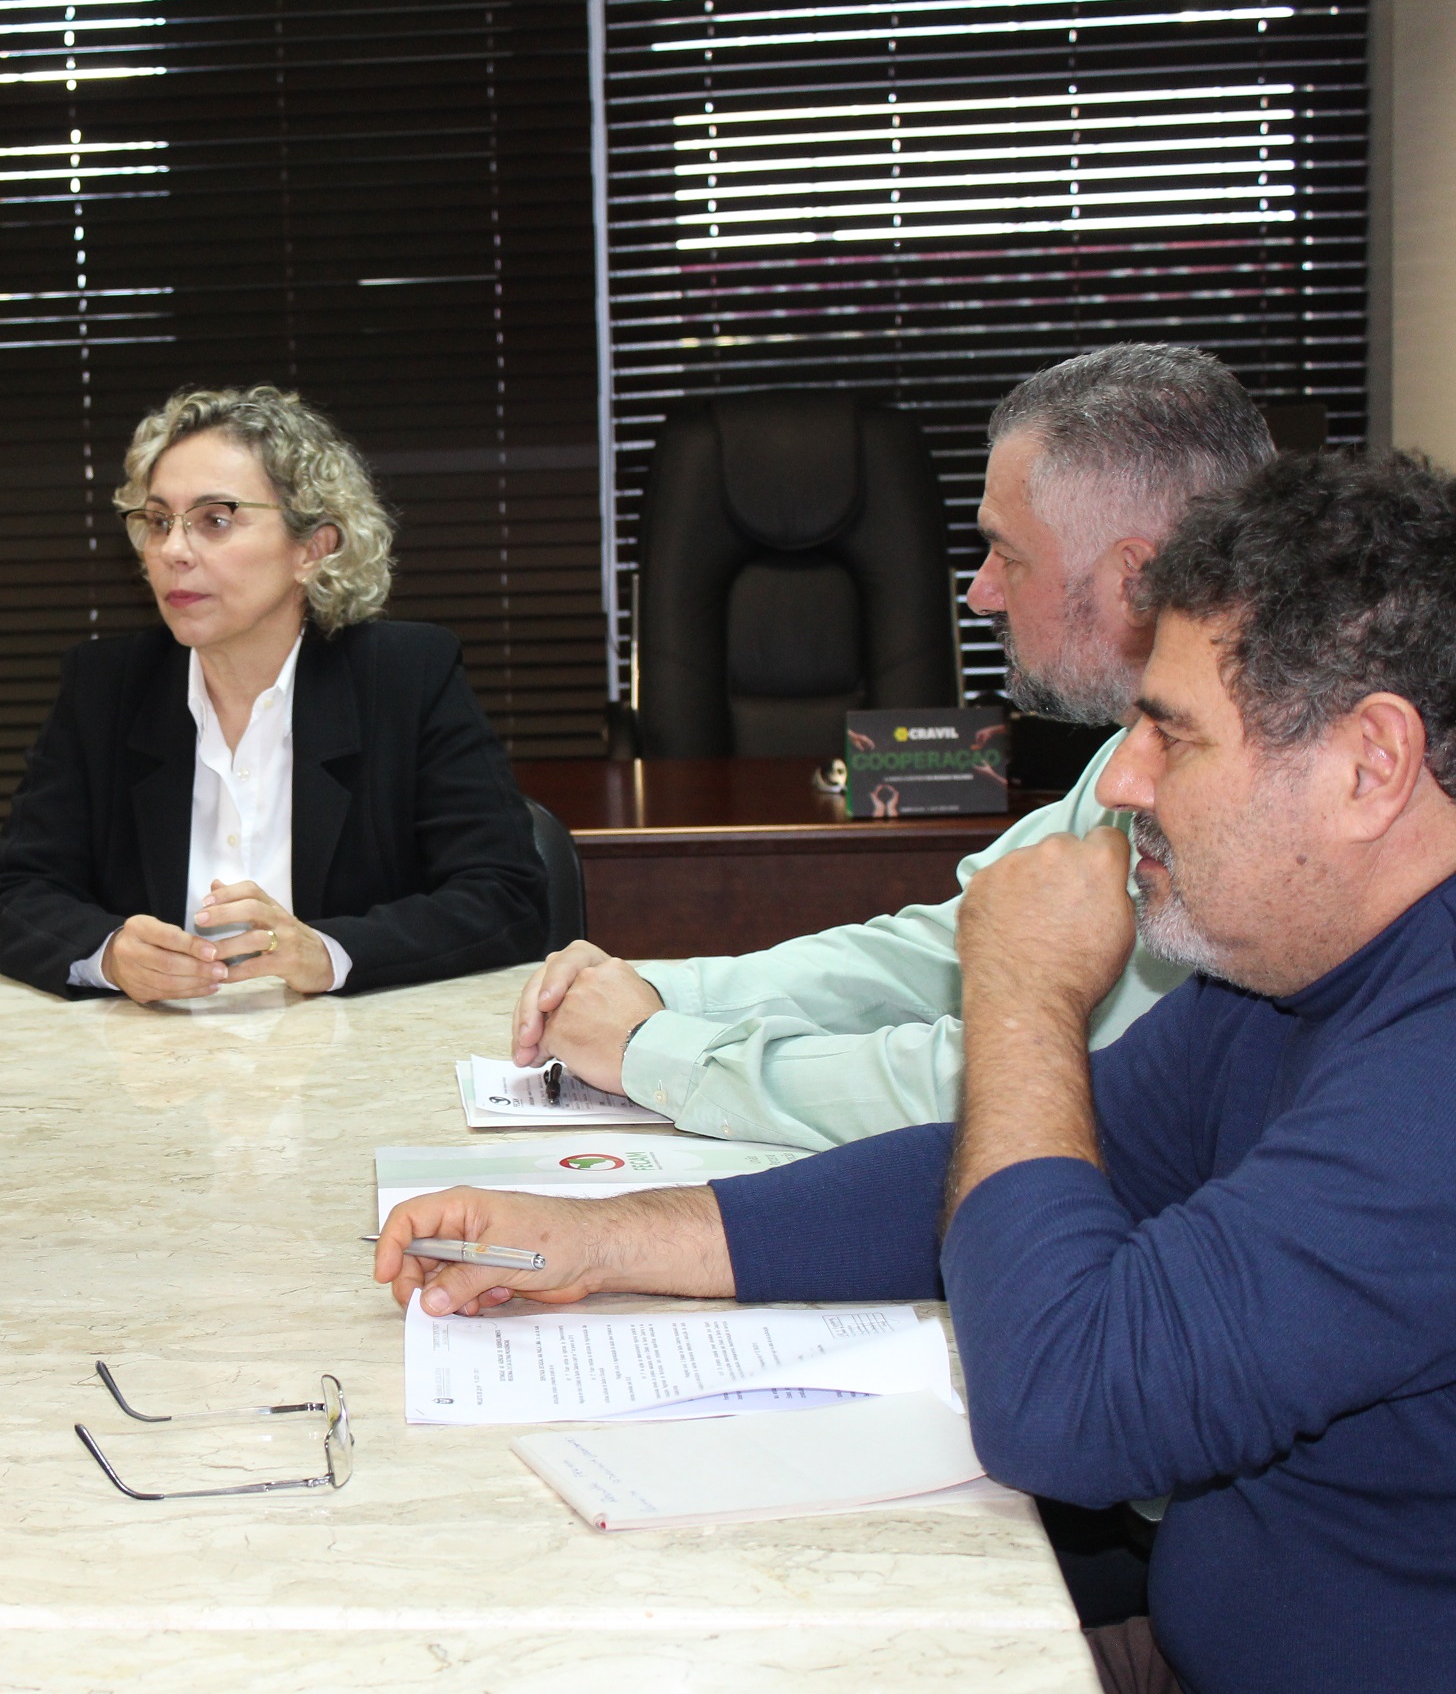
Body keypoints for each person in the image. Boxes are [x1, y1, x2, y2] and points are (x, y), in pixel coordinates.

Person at [380, 450, 1456, 1693]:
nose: (1126, 783)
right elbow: (984, 1182)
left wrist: (1024, 995)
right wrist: (596, 1239)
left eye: (1171, 735)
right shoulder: (1286, 974)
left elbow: (1062, 1406)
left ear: (1372, 766)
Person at [513, 345, 1274, 1149]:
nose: (979, 592)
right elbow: (942, 953)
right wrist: (663, 990)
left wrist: (656, 1051)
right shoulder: (1140, 750)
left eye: (1007, 555)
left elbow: (993, 1085)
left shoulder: (1256, 789)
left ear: (1135, 579)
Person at [0, 385, 544, 1001]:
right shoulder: (105, 687)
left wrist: (329, 953)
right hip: (158, 1076)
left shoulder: (405, 677)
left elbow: (505, 896)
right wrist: (110, 953)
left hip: (346, 1070)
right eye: (158, 521)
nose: (172, 551)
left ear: (311, 548)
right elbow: (17, 896)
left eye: (214, 521)